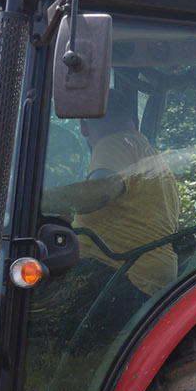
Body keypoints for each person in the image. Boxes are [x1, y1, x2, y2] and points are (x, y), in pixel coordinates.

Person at [42, 84, 182, 299]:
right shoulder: (151, 156)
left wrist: (36, 200)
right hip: (146, 275)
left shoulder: (115, 143)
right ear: (135, 122)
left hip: (121, 276)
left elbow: (102, 192)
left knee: (33, 303)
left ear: (84, 126)